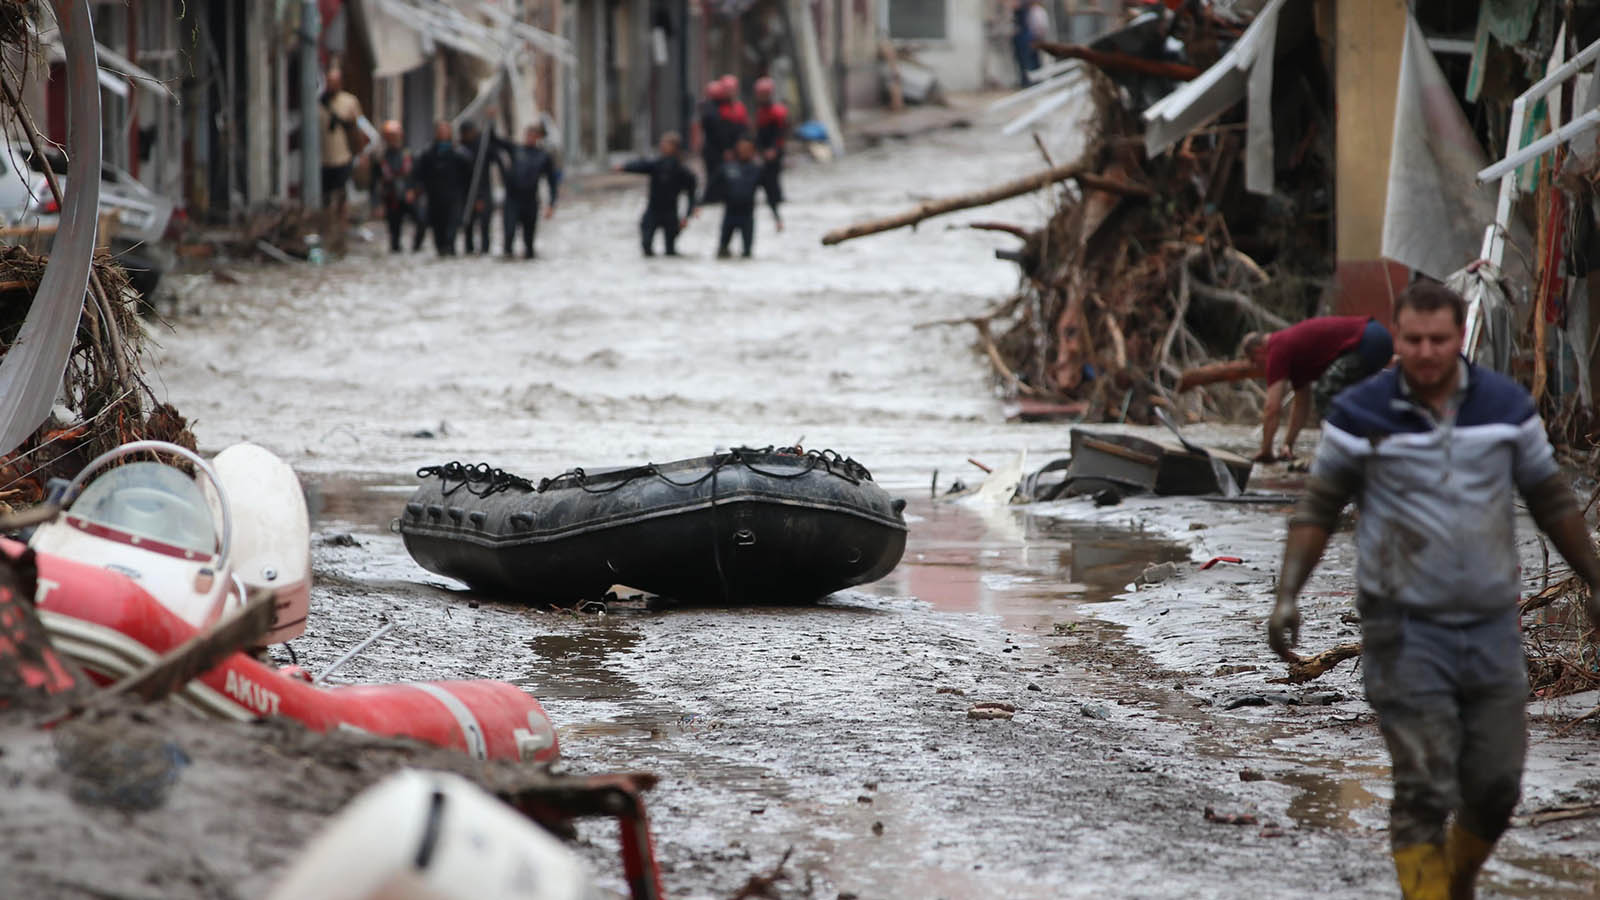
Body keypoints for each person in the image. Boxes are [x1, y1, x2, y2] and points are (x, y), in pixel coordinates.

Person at [1269, 282, 1600, 900]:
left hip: (1492, 627)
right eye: (1413, 340)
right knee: (1423, 786)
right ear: (1397, 340)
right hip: (1401, 629)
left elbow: (1552, 498)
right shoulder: (1360, 413)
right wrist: (1288, 594)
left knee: (1497, 786)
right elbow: (1317, 508)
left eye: (1439, 340)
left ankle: (1459, 880)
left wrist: (1594, 577)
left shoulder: (1505, 408)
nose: (1425, 352)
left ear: (1458, 339)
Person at [1239, 315, 1393, 462]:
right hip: (1378, 338)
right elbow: (1301, 404)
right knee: (1355, 399)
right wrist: (1288, 445)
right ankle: (1372, 445)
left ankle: (1335, 452)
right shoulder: (1294, 355)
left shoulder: (1277, 347)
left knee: (1325, 391)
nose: (1256, 366)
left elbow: (1272, 407)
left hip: (1368, 340)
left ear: (1259, 350)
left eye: (1254, 361)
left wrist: (1266, 451)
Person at [615, 131, 698, 257]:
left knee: (670, 251)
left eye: (667, 144)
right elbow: (641, 166)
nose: (663, 146)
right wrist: (624, 167)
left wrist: (688, 215)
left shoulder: (682, 170)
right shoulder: (657, 164)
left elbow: (692, 193)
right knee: (646, 245)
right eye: (662, 143)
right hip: (653, 210)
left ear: (675, 147)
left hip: (670, 212)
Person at [493, 123, 561, 259]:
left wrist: (551, 204)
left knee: (529, 242)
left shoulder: (543, 156)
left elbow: (552, 182)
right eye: (528, 135)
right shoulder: (515, 149)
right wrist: (491, 121)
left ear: (538, 138)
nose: (530, 138)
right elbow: (495, 140)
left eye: (534, 136)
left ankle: (529, 268)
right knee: (509, 234)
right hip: (512, 199)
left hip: (530, 201)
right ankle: (508, 267)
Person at [317, 67, 365, 248]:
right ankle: (325, 230)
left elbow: (359, 126)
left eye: (334, 81)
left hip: (343, 157)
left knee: (341, 196)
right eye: (329, 81)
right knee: (323, 198)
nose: (331, 85)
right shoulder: (317, 102)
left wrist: (360, 154)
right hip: (322, 160)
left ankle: (340, 232)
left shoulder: (350, 102)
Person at [414, 121, 473, 257]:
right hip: (435, 198)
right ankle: (442, 252)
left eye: (446, 131)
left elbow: (469, 175)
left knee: (451, 232)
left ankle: (450, 250)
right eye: (441, 131)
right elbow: (419, 174)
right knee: (438, 232)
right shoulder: (428, 154)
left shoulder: (459, 154)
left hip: (454, 197)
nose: (443, 134)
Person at [717, 136, 780, 259]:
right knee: (722, 251)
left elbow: (769, 194)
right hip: (729, 215)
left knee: (747, 254)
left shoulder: (757, 170)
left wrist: (777, 218)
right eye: (741, 148)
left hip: (747, 216)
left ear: (752, 151)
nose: (743, 151)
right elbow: (712, 188)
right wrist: (698, 206)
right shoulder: (727, 167)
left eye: (747, 148)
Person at [372, 121, 419, 254]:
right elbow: (374, 183)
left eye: (394, 136)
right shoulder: (380, 158)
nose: (392, 139)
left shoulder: (409, 154)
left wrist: (413, 191)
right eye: (389, 136)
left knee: (421, 221)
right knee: (394, 232)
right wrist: (376, 204)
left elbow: (417, 176)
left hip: (409, 196)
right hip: (391, 198)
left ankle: (416, 247)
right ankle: (396, 249)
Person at [457, 121, 500, 255]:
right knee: (468, 225)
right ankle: (469, 250)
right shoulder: (460, 148)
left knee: (484, 225)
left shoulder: (482, 146)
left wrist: (491, 126)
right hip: (465, 193)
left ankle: (485, 250)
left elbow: (495, 153)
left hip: (483, 192)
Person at [752, 77, 788, 215]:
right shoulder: (761, 111)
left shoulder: (777, 111)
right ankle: (772, 197)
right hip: (765, 148)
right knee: (767, 174)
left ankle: (776, 197)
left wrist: (774, 149)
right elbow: (759, 134)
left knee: (773, 174)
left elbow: (779, 133)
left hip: (775, 149)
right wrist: (760, 149)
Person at [1011, 1, 1040, 87]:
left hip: (1027, 39)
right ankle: (1026, 81)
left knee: (1029, 62)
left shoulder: (1032, 11)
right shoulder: (1024, 11)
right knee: (1023, 62)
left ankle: (1031, 81)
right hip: (1023, 39)